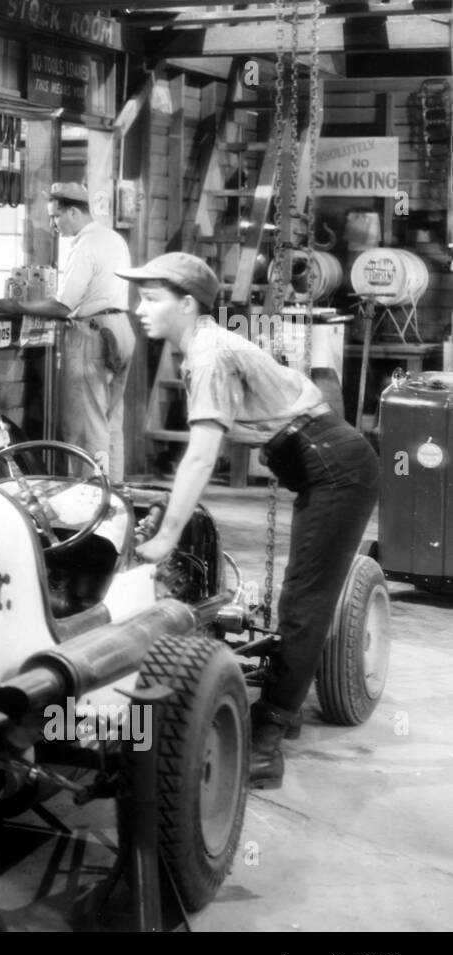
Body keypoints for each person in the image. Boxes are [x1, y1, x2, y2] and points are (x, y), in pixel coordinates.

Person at [118, 252, 380, 789]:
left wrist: (166, 536)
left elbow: (199, 456)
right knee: (301, 595)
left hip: (335, 467)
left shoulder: (210, 354)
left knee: (303, 602)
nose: (138, 308)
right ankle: (280, 711)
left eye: (151, 297)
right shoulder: (204, 347)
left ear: (187, 303)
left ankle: (266, 742)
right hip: (323, 460)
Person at [0, 182, 136, 482]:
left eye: (56, 217)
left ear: (74, 212)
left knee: (84, 425)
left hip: (92, 335)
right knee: (110, 421)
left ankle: (90, 500)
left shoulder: (85, 246)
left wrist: (15, 306)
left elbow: (64, 306)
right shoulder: (113, 238)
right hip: (121, 330)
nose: (54, 224)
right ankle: (115, 493)